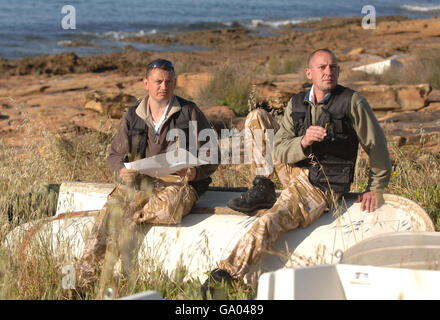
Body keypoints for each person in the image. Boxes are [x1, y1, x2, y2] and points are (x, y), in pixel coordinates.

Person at [202, 48, 392, 297]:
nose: (329, 72)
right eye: (322, 67)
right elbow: (280, 148)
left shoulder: (352, 102)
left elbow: (376, 144)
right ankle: (263, 186)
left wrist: (375, 187)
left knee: (270, 219)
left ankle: (227, 275)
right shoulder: (297, 102)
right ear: (309, 72)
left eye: (333, 67)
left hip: (321, 184)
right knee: (258, 117)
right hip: (296, 170)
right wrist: (303, 142)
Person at [76, 58, 218, 288]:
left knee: (170, 208)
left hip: (179, 184)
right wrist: (121, 172)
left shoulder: (189, 111)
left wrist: (193, 172)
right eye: (158, 81)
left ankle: (130, 225)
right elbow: (114, 156)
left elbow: (212, 153)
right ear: (146, 83)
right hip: (140, 182)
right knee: (108, 214)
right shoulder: (132, 115)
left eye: (169, 81)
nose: (164, 86)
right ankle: (83, 281)